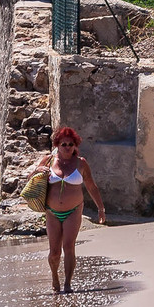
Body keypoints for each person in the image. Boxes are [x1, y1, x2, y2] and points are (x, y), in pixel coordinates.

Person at [36, 125, 107, 296]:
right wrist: (37, 171)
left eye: (70, 144)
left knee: (69, 246)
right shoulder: (48, 161)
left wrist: (101, 208)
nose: (67, 147)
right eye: (64, 144)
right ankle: (55, 277)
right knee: (54, 251)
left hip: (74, 210)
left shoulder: (81, 163)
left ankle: (67, 282)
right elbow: (32, 181)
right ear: (57, 145)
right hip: (52, 212)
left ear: (75, 145)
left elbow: (91, 186)